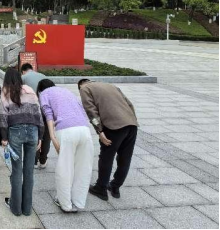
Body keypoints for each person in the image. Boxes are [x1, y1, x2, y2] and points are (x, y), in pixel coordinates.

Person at [78, 79, 139, 201]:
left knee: (106, 157)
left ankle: (101, 188)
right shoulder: (111, 85)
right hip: (132, 125)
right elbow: (130, 104)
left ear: (80, 86)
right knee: (125, 158)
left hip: (113, 126)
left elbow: (91, 111)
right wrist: (133, 121)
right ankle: (115, 187)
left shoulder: (85, 89)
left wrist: (99, 131)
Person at [39, 79, 94, 213]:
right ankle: (79, 201)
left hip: (66, 131)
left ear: (40, 89)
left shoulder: (44, 93)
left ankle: (65, 204)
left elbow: (48, 115)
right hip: (84, 130)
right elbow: (81, 110)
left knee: (65, 168)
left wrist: (52, 136)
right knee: (83, 167)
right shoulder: (67, 92)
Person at [0, 69, 43, 217]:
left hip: (15, 131)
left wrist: (4, 137)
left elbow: (3, 117)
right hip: (33, 131)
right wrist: (40, 136)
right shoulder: (30, 90)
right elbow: (38, 114)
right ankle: (27, 209)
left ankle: (16, 208)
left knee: (17, 171)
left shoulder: (6, 92)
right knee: (29, 171)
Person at [20, 63, 50, 170]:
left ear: (23, 71)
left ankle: (34, 160)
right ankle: (43, 160)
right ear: (32, 69)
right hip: (46, 109)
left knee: (35, 133)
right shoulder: (43, 76)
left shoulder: (23, 77)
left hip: (32, 110)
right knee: (46, 135)